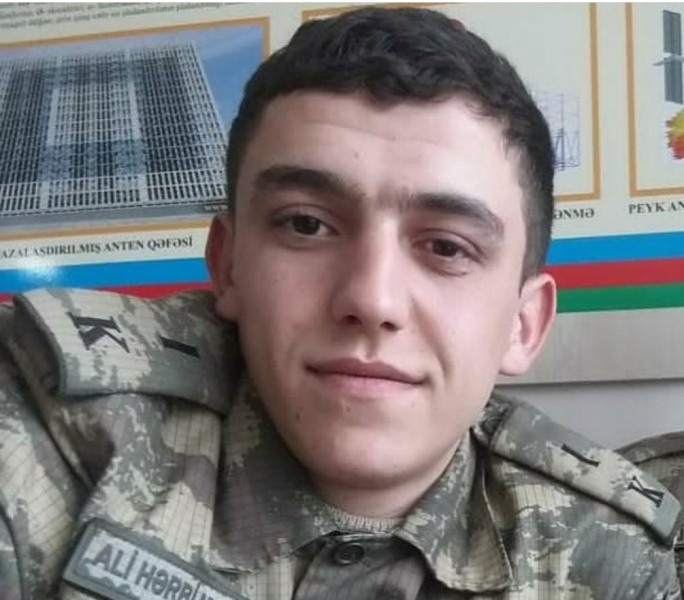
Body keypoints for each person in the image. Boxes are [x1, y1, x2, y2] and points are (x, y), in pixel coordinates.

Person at [0, 6, 681, 599]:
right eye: (306, 225)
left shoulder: (608, 554)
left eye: (447, 247)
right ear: (227, 266)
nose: (371, 298)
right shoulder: (61, 427)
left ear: (524, 324)